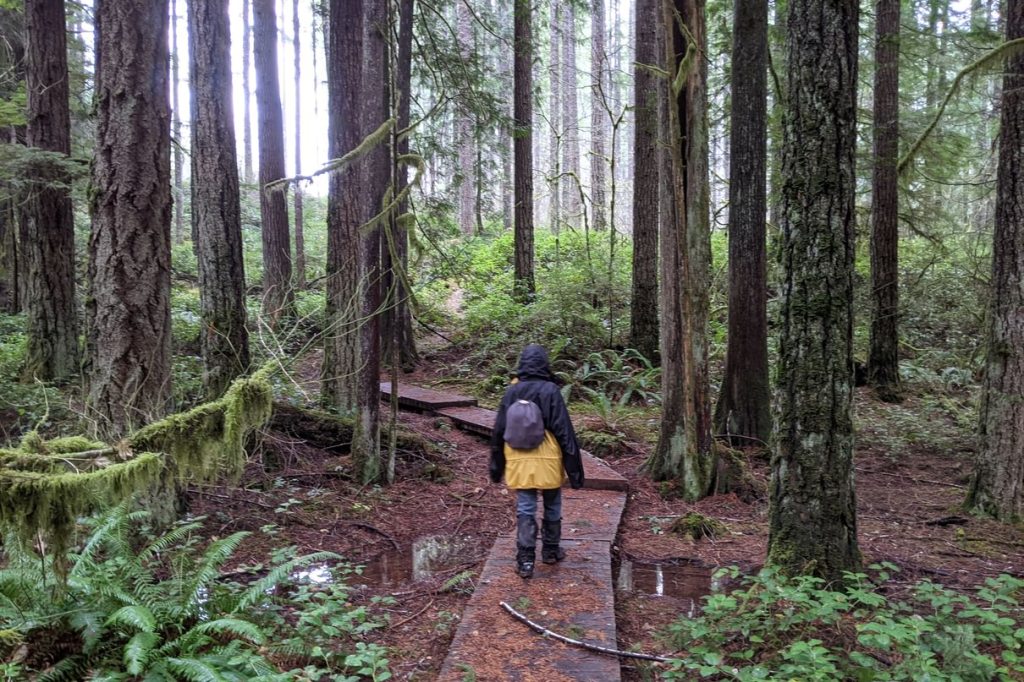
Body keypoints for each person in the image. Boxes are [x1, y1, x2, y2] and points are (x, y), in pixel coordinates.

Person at [490, 344, 584, 578]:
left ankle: (525, 561)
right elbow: (564, 431)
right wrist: (575, 471)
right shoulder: (551, 390)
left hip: (518, 457)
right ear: (545, 364)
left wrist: (496, 466)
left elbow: (499, 430)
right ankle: (550, 551)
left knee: (525, 506)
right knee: (552, 503)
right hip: (548, 457)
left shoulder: (512, 391)